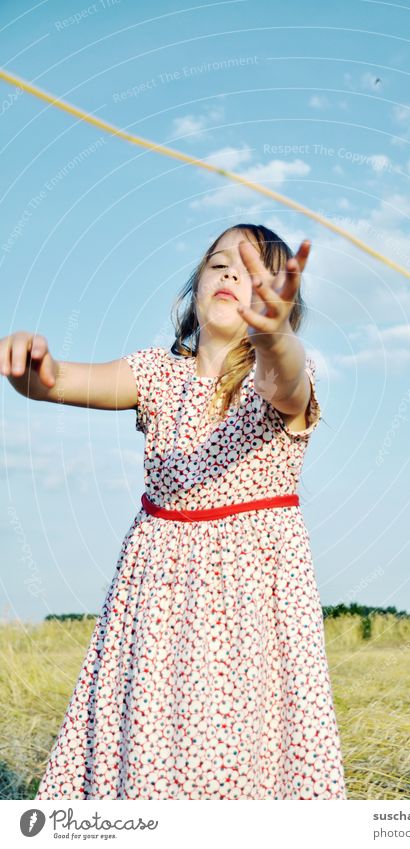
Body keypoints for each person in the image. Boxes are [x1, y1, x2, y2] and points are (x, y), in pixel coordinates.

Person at [1, 223, 346, 800]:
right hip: (158, 595)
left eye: (254, 269)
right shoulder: (156, 375)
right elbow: (59, 381)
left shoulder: (279, 378)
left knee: (237, 750)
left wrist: (276, 337)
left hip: (250, 601)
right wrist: (34, 373)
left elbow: (282, 377)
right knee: (150, 743)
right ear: (194, 290)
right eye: (219, 264)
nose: (234, 274)